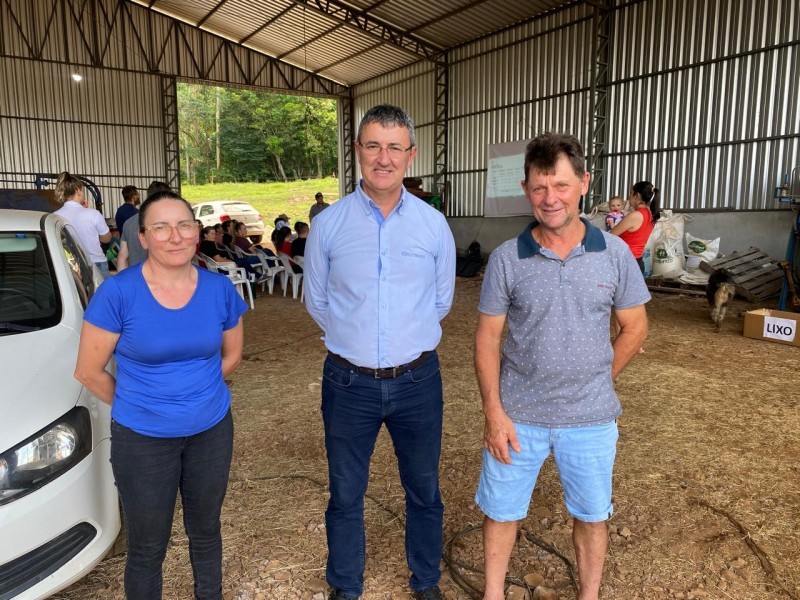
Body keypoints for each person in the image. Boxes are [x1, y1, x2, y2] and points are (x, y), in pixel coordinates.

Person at [474, 133, 650, 600]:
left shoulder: (614, 254)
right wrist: (494, 412)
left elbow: (635, 327)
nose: (550, 198)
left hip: (590, 418)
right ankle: (493, 594)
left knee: (592, 516)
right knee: (501, 512)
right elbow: (487, 337)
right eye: (539, 187)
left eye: (561, 185)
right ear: (526, 189)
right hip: (518, 417)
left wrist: (600, 378)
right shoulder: (507, 259)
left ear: (584, 184)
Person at [304, 104, 456, 600]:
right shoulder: (329, 224)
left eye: (394, 147)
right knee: (345, 493)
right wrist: (358, 341)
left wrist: (402, 340)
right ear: (357, 151)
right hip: (348, 383)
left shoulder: (433, 225)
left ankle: (426, 581)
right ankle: (345, 585)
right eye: (373, 145)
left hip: (418, 381)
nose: (383, 158)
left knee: (424, 490)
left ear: (411, 155)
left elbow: (441, 301)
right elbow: (318, 301)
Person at [74, 191, 248, 599]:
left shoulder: (218, 289)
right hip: (143, 440)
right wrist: (144, 402)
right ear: (143, 237)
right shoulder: (118, 293)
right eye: (161, 227)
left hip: (210, 431)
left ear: (197, 232)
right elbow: (88, 371)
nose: (175, 236)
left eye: (184, 225)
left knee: (206, 530)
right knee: (148, 545)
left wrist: (194, 393)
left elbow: (233, 356)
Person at [53, 171, 113, 279]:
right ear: (78, 190)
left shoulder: (55, 216)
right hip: (96, 263)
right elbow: (106, 239)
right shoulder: (93, 214)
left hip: (70, 266)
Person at [117, 181, 171, 271]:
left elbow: (122, 257)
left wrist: (122, 278)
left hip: (136, 276)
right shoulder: (169, 223)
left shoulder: (129, 222)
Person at [610, 181, 661, 273]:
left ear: (637, 196)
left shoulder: (635, 216)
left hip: (627, 263)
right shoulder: (650, 214)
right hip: (637, 262)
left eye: (630, 193)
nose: (629, 197)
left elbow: (611, 235)